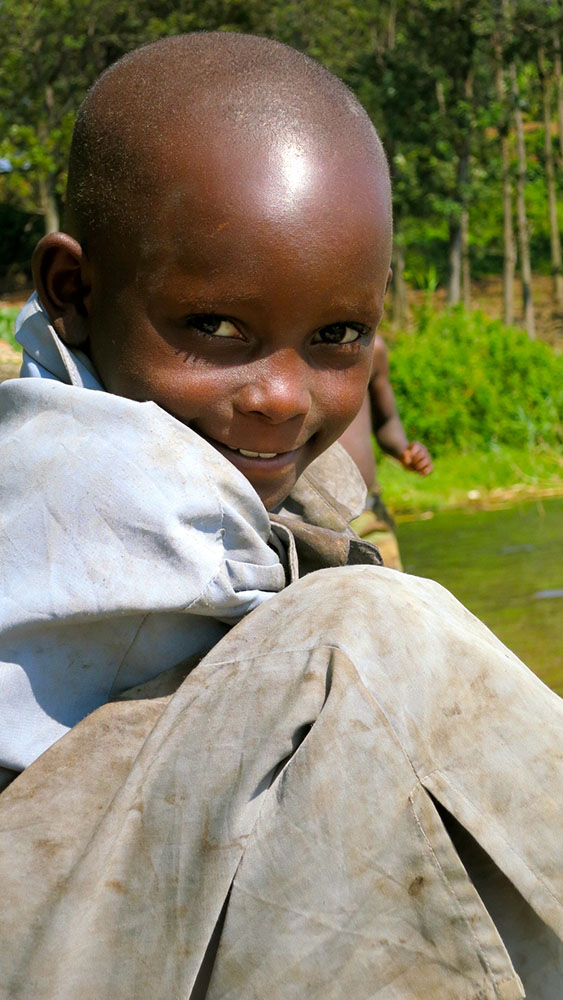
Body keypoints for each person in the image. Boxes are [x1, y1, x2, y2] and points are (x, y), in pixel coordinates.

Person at [0, 33, 561, 1000]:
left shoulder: (158, 442)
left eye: (336, 335)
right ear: (74, 291)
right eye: (216, 328)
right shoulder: (94, 475)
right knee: (366, 634)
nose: (280, 397)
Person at [339, 334, 433, 569]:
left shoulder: (372, 349)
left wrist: (404, 450)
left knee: (387, 586)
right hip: (301, 517)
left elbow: (386, 422)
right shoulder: (292, 348)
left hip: (367, 514)